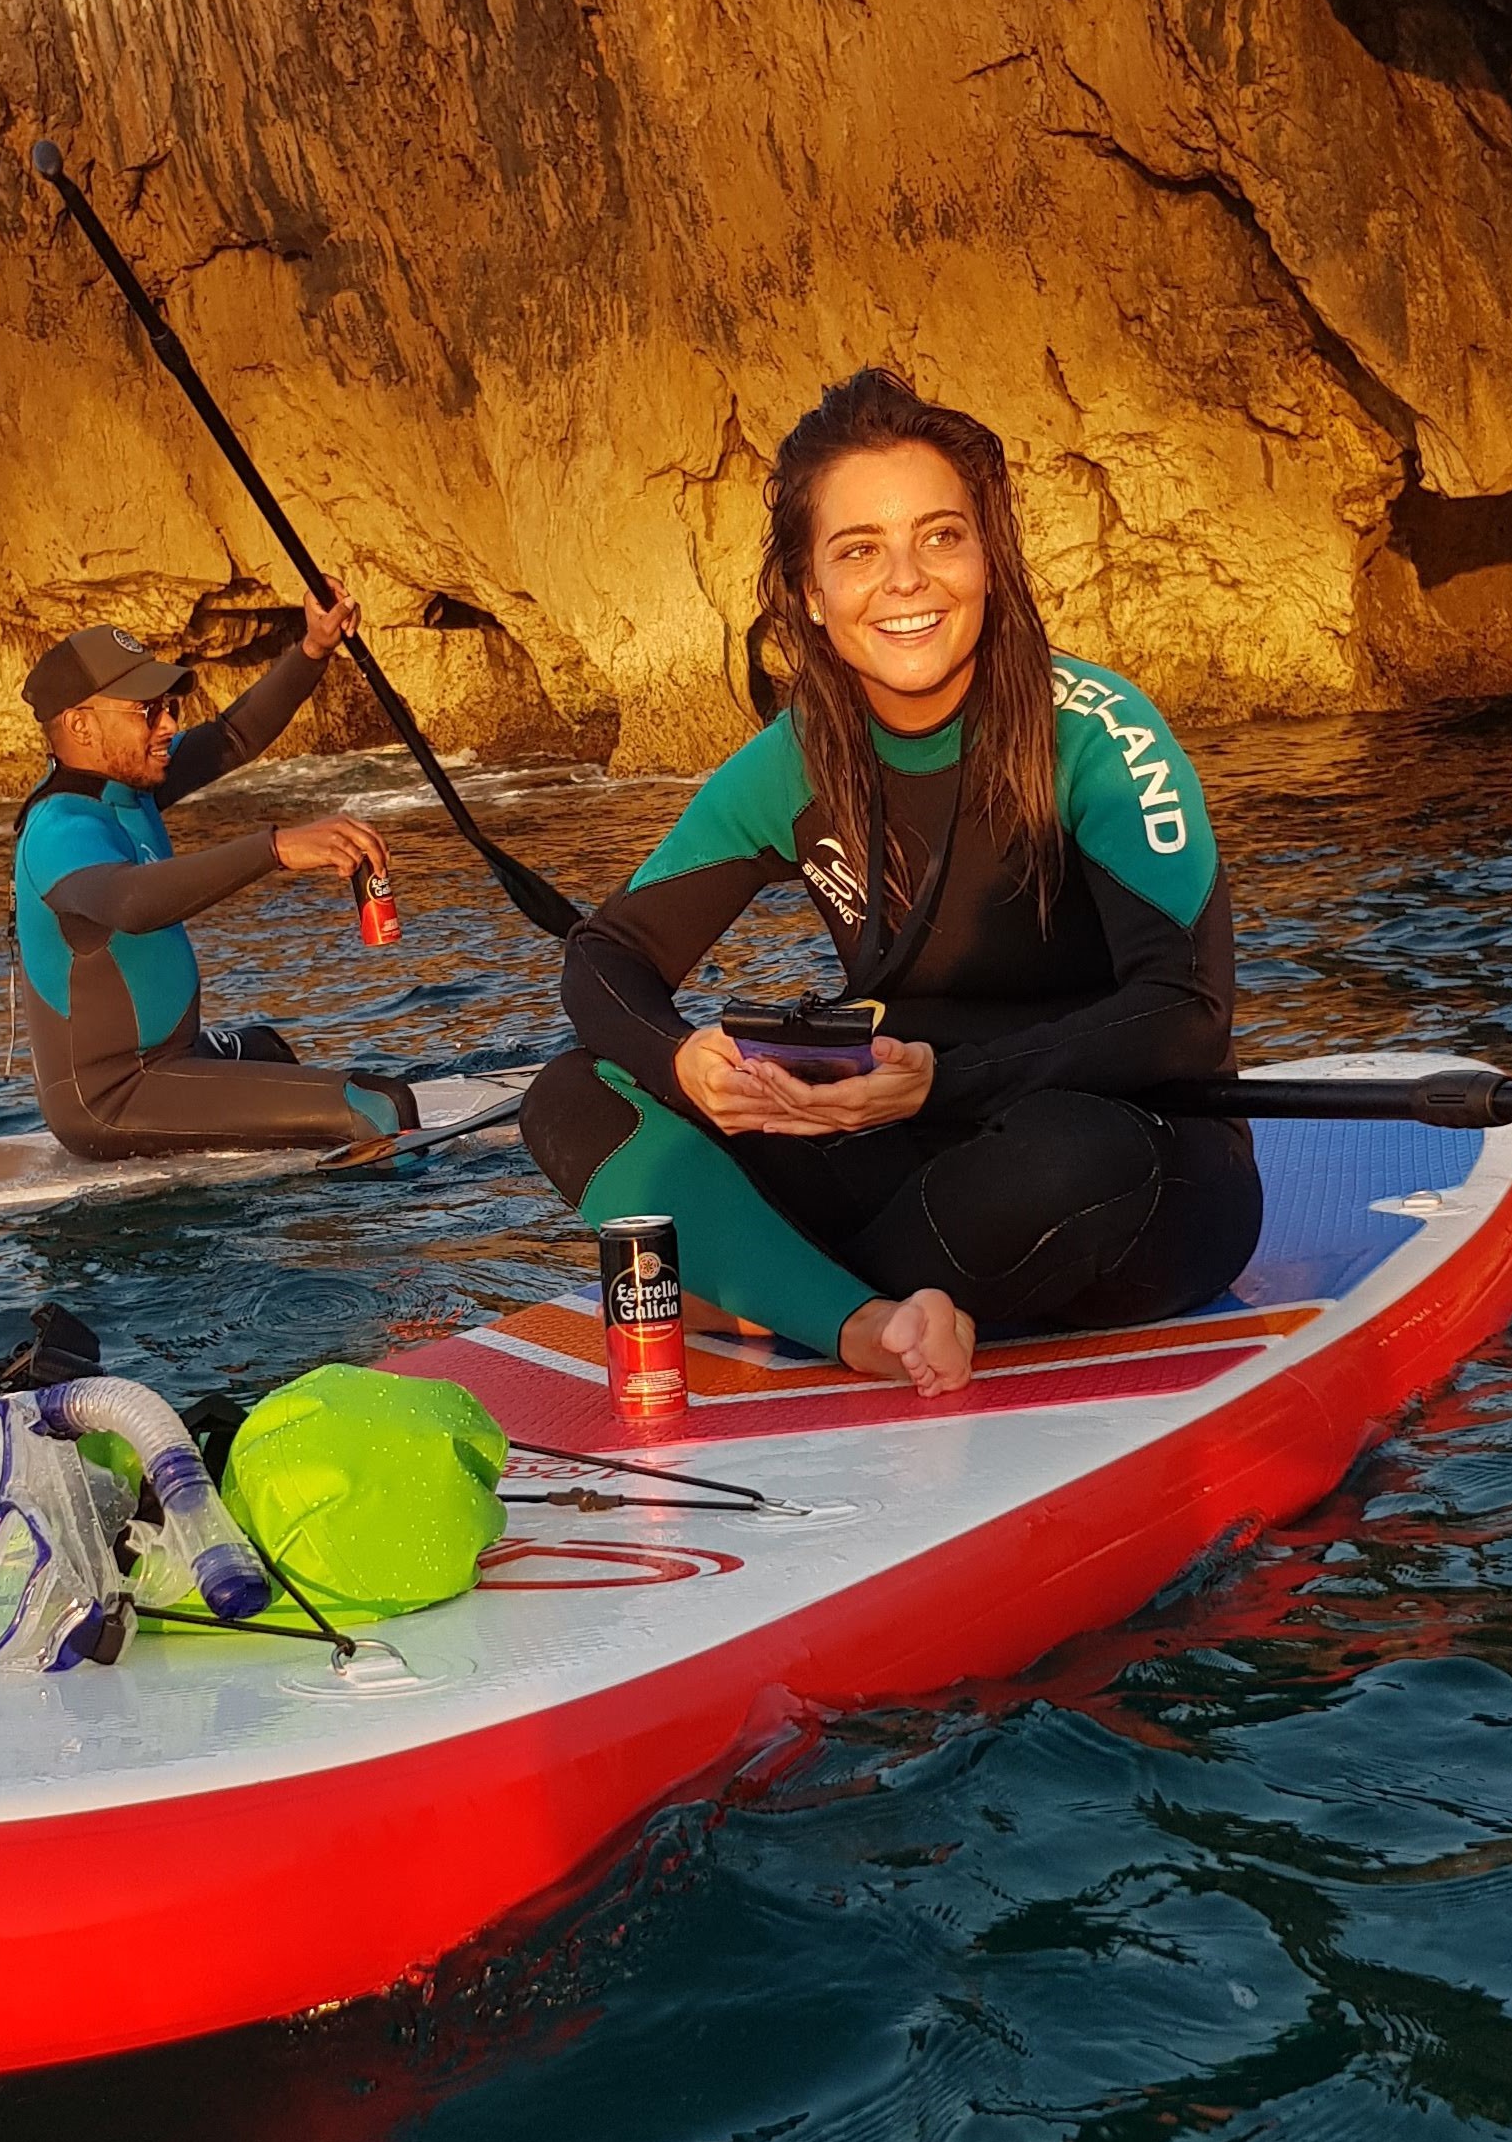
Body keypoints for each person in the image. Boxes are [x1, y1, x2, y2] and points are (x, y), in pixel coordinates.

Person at [522, 366, 1261, 1401]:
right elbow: (607, 960)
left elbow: (1185, 1014)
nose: (906, 580)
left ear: (989, 561)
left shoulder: (1097, 731)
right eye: (860, 551)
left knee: (1068, 1156)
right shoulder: (795, 760)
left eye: (941, 537)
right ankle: (867, 1324)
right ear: (812, 595)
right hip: (895, 1141)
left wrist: (942, 1081)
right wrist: (685, 1061)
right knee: (577, 1089)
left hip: (1127, 1158)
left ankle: (761, 1284)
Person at [12, 595, 419, 1159]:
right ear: (81, 725)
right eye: (147, 711)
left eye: (169, 706)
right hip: (112, 1098)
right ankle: (407, 1245)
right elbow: (131, 901)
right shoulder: (58, 829)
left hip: (176, 1057)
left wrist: (313, 648)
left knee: (269, 1051)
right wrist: (275, 848)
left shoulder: (126, 787)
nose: (169, 724)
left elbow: (234, 735)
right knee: (379, 1106)